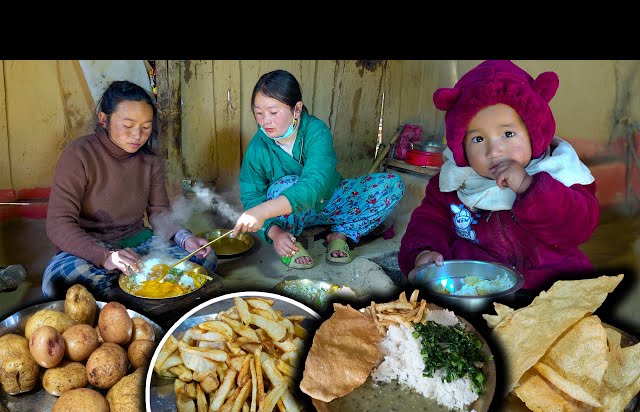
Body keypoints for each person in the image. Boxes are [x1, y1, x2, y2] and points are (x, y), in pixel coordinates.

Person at [399, 60, 599, 291]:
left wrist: (529, 186)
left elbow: (577, 228)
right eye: (478, 139)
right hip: (477, 285)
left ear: (534, 132)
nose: (494, 151)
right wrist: (422, 252)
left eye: (508, 133)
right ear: (461, 146)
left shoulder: (561, 171)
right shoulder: (455, 183)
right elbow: (429, 222)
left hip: (552, 287)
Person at [42, 80, 217, 299]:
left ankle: (132, 292)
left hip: (137, 242)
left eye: (145, 127)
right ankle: (139, 294)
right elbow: (58, 225)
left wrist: (185, 238)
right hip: (88, 246)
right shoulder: (79, 154)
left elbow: (159, 213)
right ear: (104, 119)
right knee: (61, 282)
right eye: (128, 125)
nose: (137, 135)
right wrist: (105, 256)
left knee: (203, 260)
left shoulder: (150, 160)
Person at [233, 69, 405, 269]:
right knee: (283, 186)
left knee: (391, 184)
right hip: (291, 217)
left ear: (297, 109)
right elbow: (252, 196)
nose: (265, 121)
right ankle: (288, 240)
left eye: (273, 112)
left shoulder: (316, 131)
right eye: (258, 113)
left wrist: (262, 211)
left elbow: (315, 183)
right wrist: (274, 233)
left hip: (331, 201)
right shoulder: (257, 147)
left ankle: (340, 234)